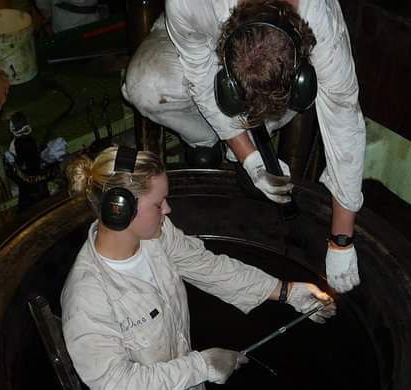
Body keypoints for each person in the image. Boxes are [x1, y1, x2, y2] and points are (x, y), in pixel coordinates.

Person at [61, 145, 336, 390]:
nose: (168, 210)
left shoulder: (154, 238)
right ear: (121, 208)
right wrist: (202, 367)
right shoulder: (88, 296)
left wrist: (285, 292)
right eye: (159, 204)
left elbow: (206, 266)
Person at [122, 0, 366, 294]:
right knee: (145, 86)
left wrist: (341, 239)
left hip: (282, 58)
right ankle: (206, 139)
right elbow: (200, 73)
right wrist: (248, 155)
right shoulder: (190, 5)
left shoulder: (319, 18)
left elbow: (343, 116)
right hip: (197, 37)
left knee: (305, 97)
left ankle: (238, 132)